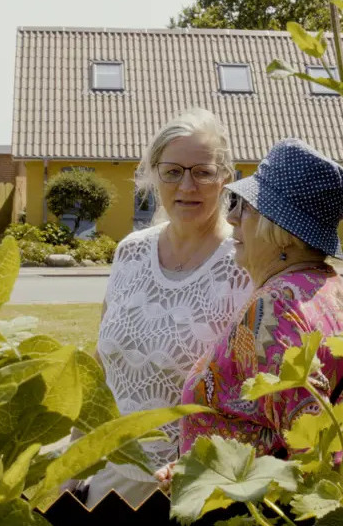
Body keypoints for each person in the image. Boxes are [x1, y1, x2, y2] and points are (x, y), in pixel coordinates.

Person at [81, 108, 251, 508]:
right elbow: (99, 367)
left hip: (188, 491)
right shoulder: (130, 252)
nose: (187, 185)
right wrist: (76, 462)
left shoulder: (243, 264)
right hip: (109, 477)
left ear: (225, 175)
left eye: (203, 172)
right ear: (154, 174)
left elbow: (249, 395)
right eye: (173, 171)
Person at [178, 138, 343, 459]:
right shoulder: (334, 290)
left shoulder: (277, 307)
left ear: (282, 229)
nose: (232, 218)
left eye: (245, 207)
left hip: (250, 505)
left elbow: (309, 448)